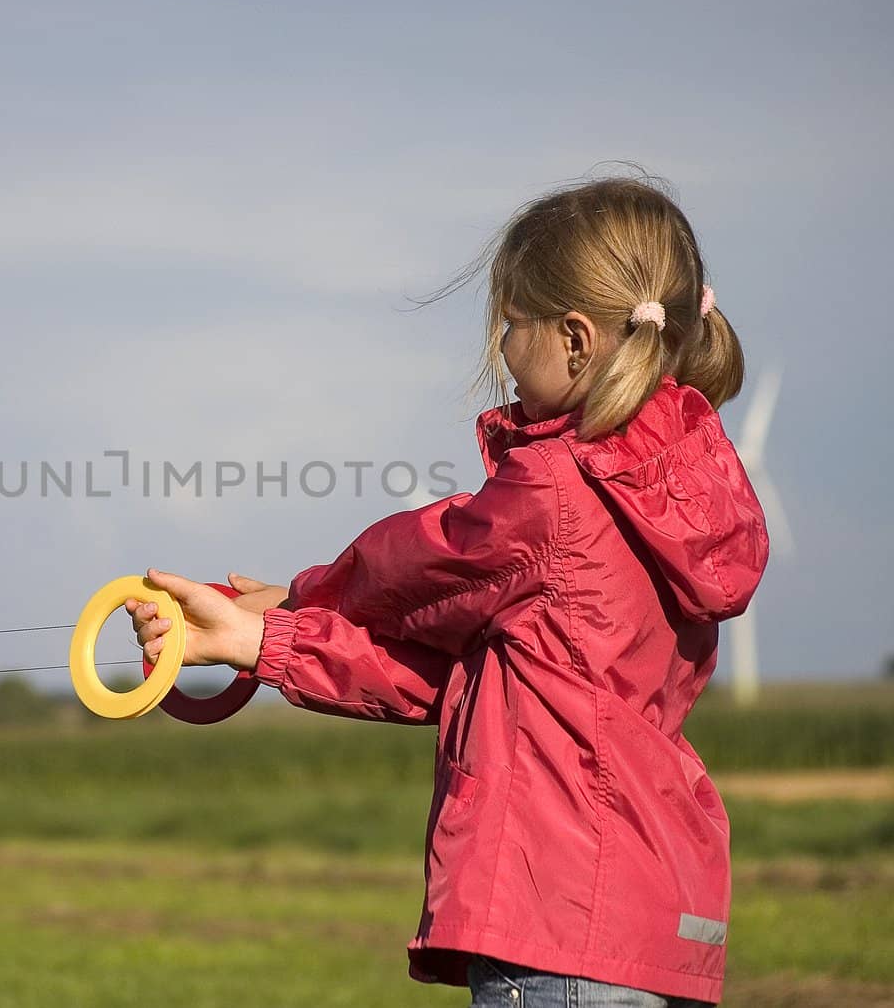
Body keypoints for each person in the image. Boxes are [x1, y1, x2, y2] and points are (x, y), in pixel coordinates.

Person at [126, 173, 768, 1007]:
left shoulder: (551, 499)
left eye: (512, 322)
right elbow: (478, 678)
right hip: (654, 919)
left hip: (560, 924)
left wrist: (297, 601)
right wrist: (264, 641)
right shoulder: (679, 501)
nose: (502, 346)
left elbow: (412, 566)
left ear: (575, 339)